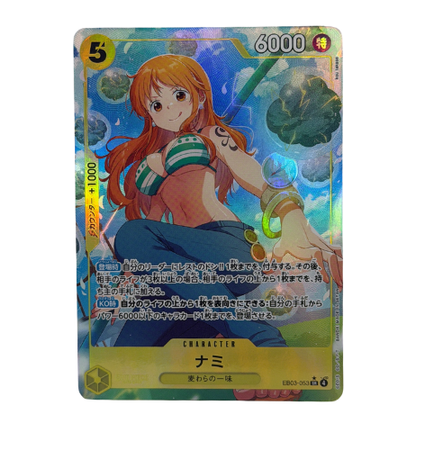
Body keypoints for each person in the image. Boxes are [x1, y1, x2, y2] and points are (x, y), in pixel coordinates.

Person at [97, 54, 342, 347]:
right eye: (157, 105)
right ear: (149, 113)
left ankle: (253, 332)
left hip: (227, 247)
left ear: (199, 96)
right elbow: (152, 229)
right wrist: (130, 279)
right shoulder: (153, 162)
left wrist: (290, 214)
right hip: (187, 270)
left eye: (179, 95)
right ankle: (253, 337)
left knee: (131, 233)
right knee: (133, 340)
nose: (169, 108)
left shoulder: (211, 135)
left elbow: (251, 173)